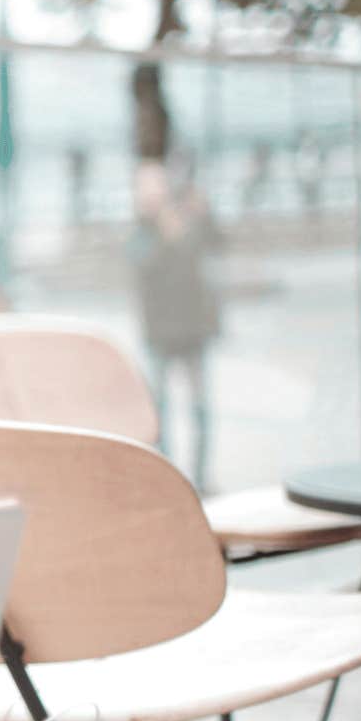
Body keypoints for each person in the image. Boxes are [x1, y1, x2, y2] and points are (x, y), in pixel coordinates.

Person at [128, 155, 221, 491]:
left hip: (192, 330)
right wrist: (167, 234)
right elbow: (145, 269)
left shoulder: (184, 220)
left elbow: (211, 247)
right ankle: (168, 479)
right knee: (160, 412)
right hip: (160, 334)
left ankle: (201, 476)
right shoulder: (141, 231)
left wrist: (199, 214)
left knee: (200, 409)